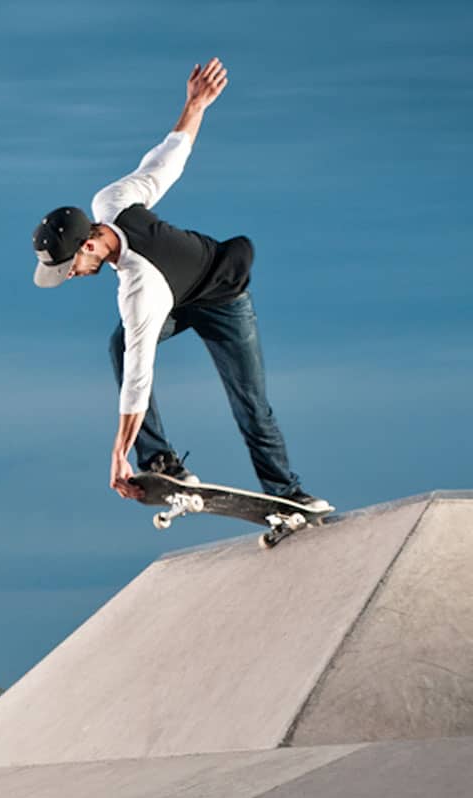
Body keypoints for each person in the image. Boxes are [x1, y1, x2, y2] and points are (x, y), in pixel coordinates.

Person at [31, 58, 330, 513]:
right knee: (121, 345)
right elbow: (164, 161)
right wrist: (193, 105)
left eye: (69, 267)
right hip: (176, 299)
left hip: (222, 296)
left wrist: (117, 452)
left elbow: (139, 378)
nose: (69, 276)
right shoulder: (109, 202)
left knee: (250, 402)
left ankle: (286, 491)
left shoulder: (138, 288)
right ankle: (161, 459)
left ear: (89, 244)